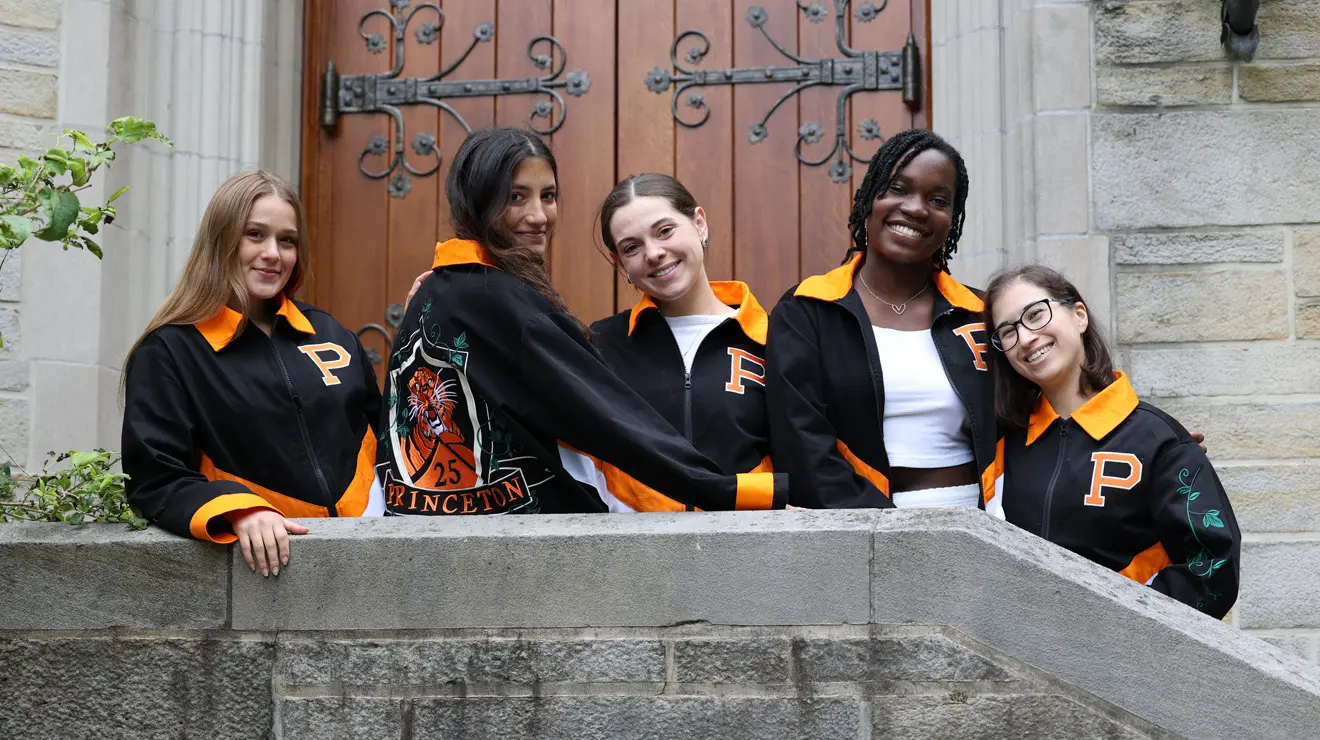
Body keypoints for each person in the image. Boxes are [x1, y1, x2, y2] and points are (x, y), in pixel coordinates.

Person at [377, 127, 785, 515]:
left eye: (548, 195)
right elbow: (615, 428)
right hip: (529, 553)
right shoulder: (503, 303)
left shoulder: (441, 294)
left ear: (699, 223)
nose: (539, 216)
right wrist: (741, 492)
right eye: (516, 197)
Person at [121, 170, 383, 576]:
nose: (273, 253)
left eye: (287, 240)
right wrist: (239, 511)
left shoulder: (332, 334)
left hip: (372, 553)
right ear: (221, 240)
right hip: (269, 568)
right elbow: (154, 480)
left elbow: (384, 437)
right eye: (255, 235)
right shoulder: (170, 351)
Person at [980, 264, 1240, 617]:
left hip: (1123, 660)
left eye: (1035, 314)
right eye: (1008, 332)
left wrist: (1118, 631)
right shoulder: (1000, 447)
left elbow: (1214, 566)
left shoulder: (1159, 441)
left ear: (1079, 315)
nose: (1025, 338)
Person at [766, 129, 996, 510]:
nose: (917, 208)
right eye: (898, 189)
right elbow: (801, 442)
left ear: (952, 220)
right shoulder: (807, 311)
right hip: (856, 531)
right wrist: (882, 532)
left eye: (937, 199)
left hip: (977, 527)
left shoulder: (981, 313)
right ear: (870, 197)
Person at [589, 174, 772, 511]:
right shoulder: (600, 347)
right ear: (621, 264)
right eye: (632, 247)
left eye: (665, 231)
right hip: (636, 554)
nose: (654, 253)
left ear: (699, 224)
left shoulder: (770, 340)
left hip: (752, 547)